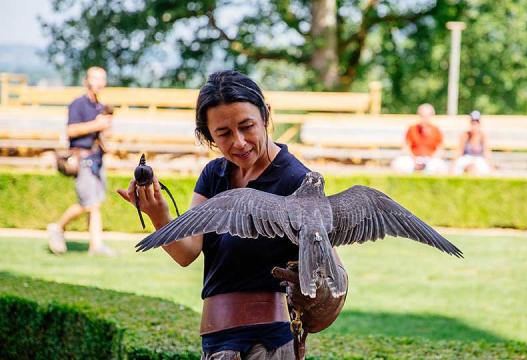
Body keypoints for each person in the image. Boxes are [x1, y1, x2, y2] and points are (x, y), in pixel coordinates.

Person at [117, 70, 347, 359]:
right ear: (208, 136)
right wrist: (158, 215)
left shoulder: (297, 181)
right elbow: (187, 253)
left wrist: (313, 284)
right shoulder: (215, 174)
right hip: (216, 344)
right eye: (223, 133)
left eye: (247, 126)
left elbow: (332, 275)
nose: (238, 142)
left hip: (269, 345)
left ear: (266, 116)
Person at [47, 66, 115, 256]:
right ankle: (58, 227)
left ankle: (96, 246)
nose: (99, 83)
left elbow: (102, 133)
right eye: (95, 78)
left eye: (102, 79)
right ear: (87, 81)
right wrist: (96, 124)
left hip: (97, 159)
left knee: (94, 205)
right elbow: (70, 131)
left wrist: (106, 134)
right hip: (82, 158)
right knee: (88, 204)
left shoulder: (100, 107)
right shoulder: (77, 104)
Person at [391, 103, 447, 174]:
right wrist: (414, 160)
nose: (425, 119)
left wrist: (430, 160)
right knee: (399, 163)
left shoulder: (436, 130)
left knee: (439, 166)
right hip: (413, 158)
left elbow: (440, 149)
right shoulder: (412, 129)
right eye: (422, 116)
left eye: (427, 116)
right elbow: (406, 147)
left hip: (430, 159)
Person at [452, 110, 493, 175]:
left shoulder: (483, 136)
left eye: (476, 123)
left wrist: (491, 167)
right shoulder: (465, 135)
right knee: (458, 167)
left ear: (479, 124)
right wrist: (452, 166)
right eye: (473, 123)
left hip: (479, 159)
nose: (474, 125)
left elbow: (487, 153)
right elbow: (459, 152)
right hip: (466, 158)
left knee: (483, 168)